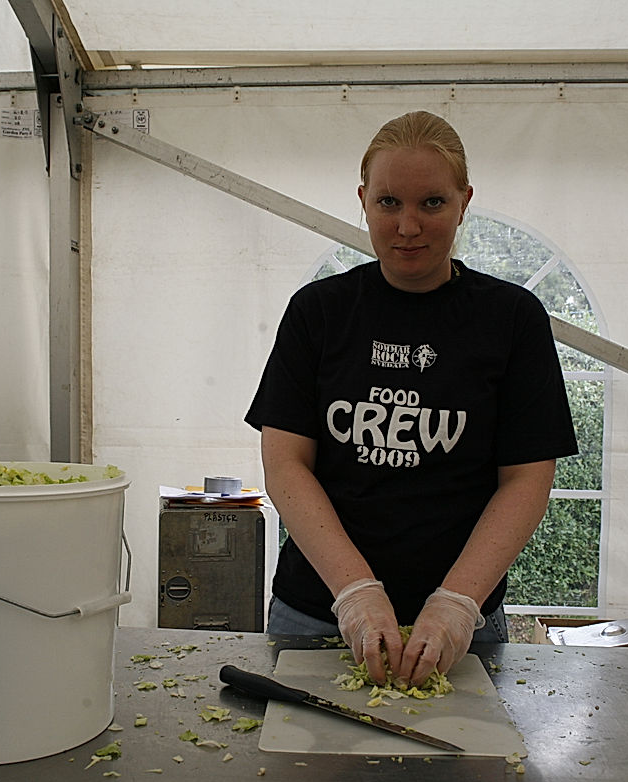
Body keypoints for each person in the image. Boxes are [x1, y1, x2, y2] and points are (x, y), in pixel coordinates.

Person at [245, 110, 578, 687]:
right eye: (389, 203)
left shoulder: (511, 319)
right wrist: (355, 592)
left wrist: (456, 603)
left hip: (461, 625)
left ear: (464, 201)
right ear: (363, 200)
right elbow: (285, 465)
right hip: (315, 614)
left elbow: (526, 478)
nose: (408, 227)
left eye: (432, 203)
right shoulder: (318, 313)